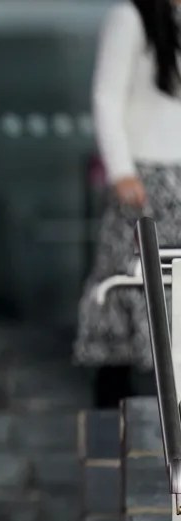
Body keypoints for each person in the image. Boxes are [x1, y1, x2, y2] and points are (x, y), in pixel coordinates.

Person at [74, 0, 181, 407]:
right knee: (129, 286)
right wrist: (120, 170)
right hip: (144, 179)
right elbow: (106, 97)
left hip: (176, 176)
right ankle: (113, 414)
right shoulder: (131, 17)